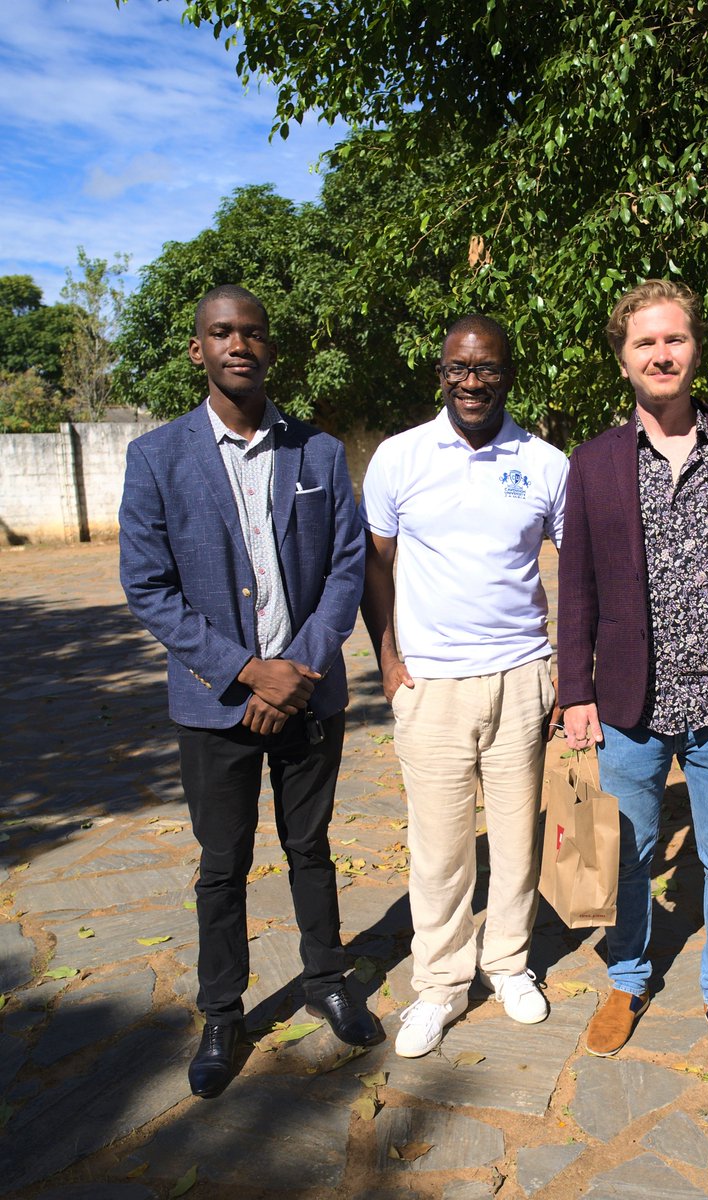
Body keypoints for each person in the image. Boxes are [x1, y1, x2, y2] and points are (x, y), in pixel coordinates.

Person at [119, 285, 382, 1100]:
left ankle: (326, 978)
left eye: (253, 332)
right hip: (214, 704)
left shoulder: (320, 453)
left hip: (307, 694)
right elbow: (149, 586)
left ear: (271, 349)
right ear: (197, 349)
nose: (239, 344)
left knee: (310, 847)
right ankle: (223, 1012)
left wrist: (294, 670)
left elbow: (346, 569)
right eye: (221, 332)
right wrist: (245, 671)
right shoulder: (158, 457)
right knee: (222, 864)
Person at [557, 279, 708, 1073]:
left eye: (674, 339)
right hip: (630, 701)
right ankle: (627, 978)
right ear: (622, 360)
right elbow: (579, 588)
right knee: (626, 853)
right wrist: (575, 692)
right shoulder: (592, 463)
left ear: (695, 349)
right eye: (644, 343)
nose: (661, 354)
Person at [360, 314, 569, 1058]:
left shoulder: (546, 462)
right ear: (440, 373)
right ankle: (442, 984)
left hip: (520, 676)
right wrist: (386, 652)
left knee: (516, 840)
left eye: (486, 368)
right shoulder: (398, 458)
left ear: (509, 373)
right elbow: (375, 564)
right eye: (459, 368)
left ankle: (509, 963)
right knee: (440, 848)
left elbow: (576, 571)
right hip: (432, 684)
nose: (472, 381)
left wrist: (567, 674)